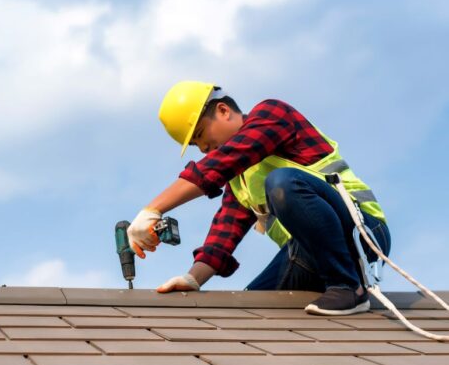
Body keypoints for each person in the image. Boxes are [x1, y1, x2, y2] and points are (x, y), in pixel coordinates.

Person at [127, 81, 391, 315]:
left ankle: (348, 288)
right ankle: (339, 287)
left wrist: (152, 209)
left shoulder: (272, 114)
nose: (204, 148)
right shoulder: (240, 179)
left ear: (223, 110)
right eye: (196, 146)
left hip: (361, 234)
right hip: (308, 254)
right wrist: (192, 278)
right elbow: (225, 229)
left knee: (284, 184)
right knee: (249, 311)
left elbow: (219, 166)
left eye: (200, 136)